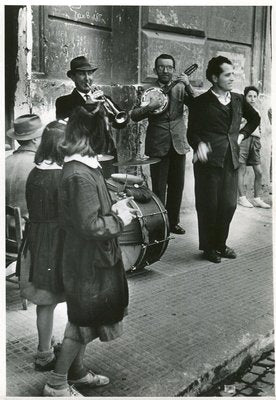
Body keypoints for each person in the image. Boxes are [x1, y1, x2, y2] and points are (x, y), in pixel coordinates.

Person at [43, 104, 137, 397]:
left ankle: (78, 373)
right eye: (104, 130)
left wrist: (113, 206)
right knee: (82, 323)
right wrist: (120, 218)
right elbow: (90, 225)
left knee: (86, 317)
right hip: (88, 261)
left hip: (93, 259)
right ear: (90, 135)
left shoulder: (83, 168)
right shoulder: (78, 175)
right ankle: (57, 383)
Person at [187, 56, 260, 263]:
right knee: (208, 204)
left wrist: (242, 134)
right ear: (214, 77)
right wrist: (198, 144)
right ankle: (209, 247)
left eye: (232, 74)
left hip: (231, 159)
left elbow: (255, 119)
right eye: (227, 75)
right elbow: (192, 133)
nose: (232, 78)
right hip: (208, 161)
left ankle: (220, 243)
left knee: (229, 205)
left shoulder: (238, 99)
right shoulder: (200, 103)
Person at [131, 54, 196, 235]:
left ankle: (173, 222)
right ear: (155, 70)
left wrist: (189, 84)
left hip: (178, 143)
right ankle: (160, 224)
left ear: (174, 70)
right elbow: (134, 115)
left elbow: (198, 105)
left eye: (169, 67)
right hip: (158, 143)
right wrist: (148, 108)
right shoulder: (147, 90)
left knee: (177, 186)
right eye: (161, 67)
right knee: (159, 187)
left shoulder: (181, 88)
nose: (165, 71)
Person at [20, 121, 66, 371]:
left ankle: (44, 350)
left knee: (44, 302)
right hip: (55, 241)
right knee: (52, 299)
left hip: (37, 238)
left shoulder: (35, 171)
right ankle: (48, 355)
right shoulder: (60, 176)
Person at [238, 86, 271, 208]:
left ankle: (257, 198)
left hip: (255, 141)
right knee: (241, 170)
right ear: (245, 97)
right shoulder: (241, 110)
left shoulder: (256, 111)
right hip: (244, 140)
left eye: (254, 96)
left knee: (259, 171)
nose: (252, 99)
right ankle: (242, 198)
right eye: (249, 96)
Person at [6, 114, 43, 220]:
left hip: (5, 230)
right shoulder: (40, 165)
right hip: (29, 230)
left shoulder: (5, 161)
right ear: (35, 139)